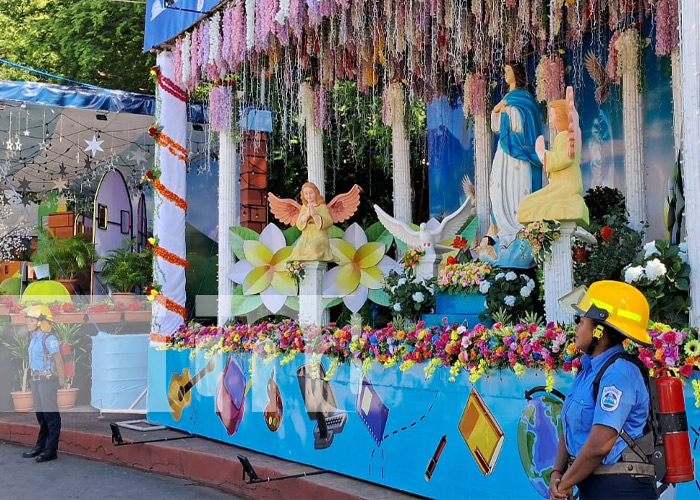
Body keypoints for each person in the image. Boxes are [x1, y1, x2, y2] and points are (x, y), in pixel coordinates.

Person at [550, 281, 657, 500]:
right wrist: (558, 473)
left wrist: (565, 484)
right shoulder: (588, 369)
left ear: (599, 330)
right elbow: (569, 428)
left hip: (621, 490)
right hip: (593, 487)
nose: (577, 329)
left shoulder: (619, 374)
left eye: (581, 322)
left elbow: (600, 444)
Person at [488, 62, 543, 256]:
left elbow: (524, 121)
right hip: (505, 151)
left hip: (519, 152)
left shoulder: (525, 98)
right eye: (504, 70)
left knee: (518, 187)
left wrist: (506, 110)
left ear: (516, 74)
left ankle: (520, 228)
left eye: (508, 71)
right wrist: (497, 110)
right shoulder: (506, 98)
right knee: (498, 187)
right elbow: (496, 127)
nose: (505, 74)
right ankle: (505, 231)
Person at [518, 86, 589, 225]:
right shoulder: (564, 136)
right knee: (527, 204)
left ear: (561, 115)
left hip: (566, 185)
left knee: (527, 205)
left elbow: (566, 158)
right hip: (565, 184)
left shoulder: (564, 136)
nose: (550, 121)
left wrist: (541, 153)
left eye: (551, 116)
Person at [21, 305, 65, 463]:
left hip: (47, 380)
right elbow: (22, 312)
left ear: (40, 322)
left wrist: (61, 382)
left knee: (51, 415)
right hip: (36, 379)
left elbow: (59, 361)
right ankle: (41, 446)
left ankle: (51, 449)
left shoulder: (49, 339)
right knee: (41, 415)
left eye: (32, 320)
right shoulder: (34, 338)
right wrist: (32, 310)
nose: (28, 323)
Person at [290, 182, 335, 261]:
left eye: (311, 193)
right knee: (298, 249)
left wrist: (315, 215)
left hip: (319, 235)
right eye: (306, 194)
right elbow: (299, 224)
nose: (308, 196)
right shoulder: (304, 207)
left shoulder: (322, 207)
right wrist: (307, 215)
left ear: (316, 193)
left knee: (312, 247)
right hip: (306, 236)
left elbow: (329, 221)